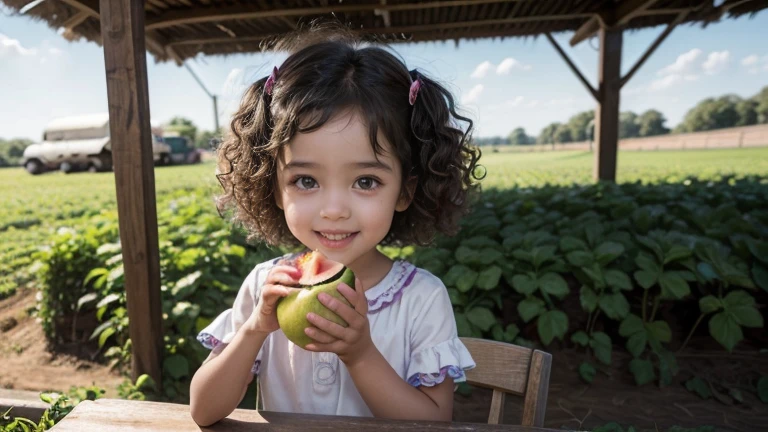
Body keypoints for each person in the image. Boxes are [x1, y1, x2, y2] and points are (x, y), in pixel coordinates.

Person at [189, 28, 483, 427]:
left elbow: (433, 422)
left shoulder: (421, 300)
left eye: (365, 182)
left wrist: (361, 355)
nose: (333, 210)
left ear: (404, 192)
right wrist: (255, 329)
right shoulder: (266, 286)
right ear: (274, 188)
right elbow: (204, 411)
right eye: (306, 181)